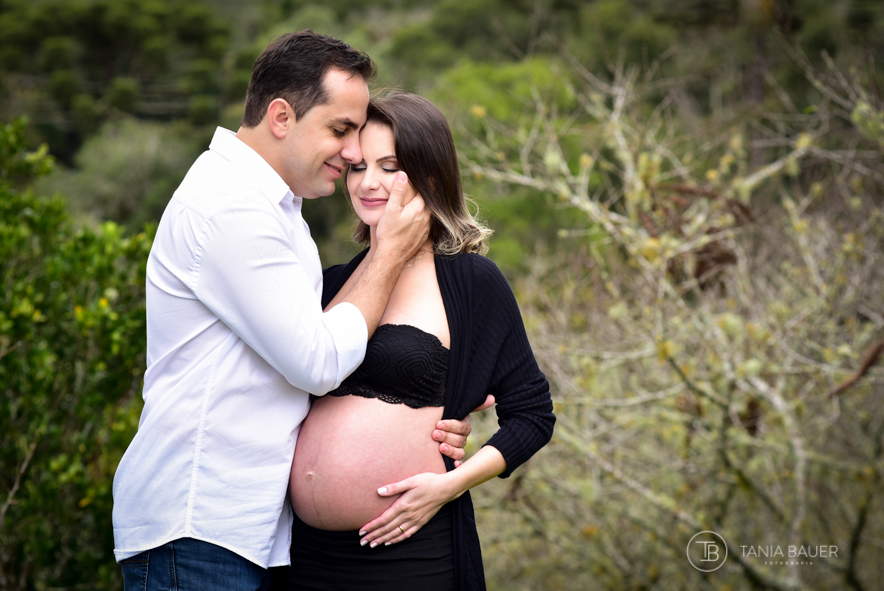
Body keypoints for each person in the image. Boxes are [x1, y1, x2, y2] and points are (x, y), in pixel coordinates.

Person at [111, 31, 475, 591]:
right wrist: (389, 253)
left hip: (250, 535)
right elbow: (318, 361)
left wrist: (433, 409)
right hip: (201, 528)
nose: (354, 153)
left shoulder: (277, 211)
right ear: (281, 117)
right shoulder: (230, 207)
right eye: (340, 130)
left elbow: (328, 353)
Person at [269, 93, 555, 591]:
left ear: (431, 175)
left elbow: (532, 413)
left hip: (407, 555)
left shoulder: (471, 282)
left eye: (390, 166)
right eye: (357, 167)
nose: (368, 182)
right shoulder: (331, 283)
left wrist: (449, 486)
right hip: (303, 558)